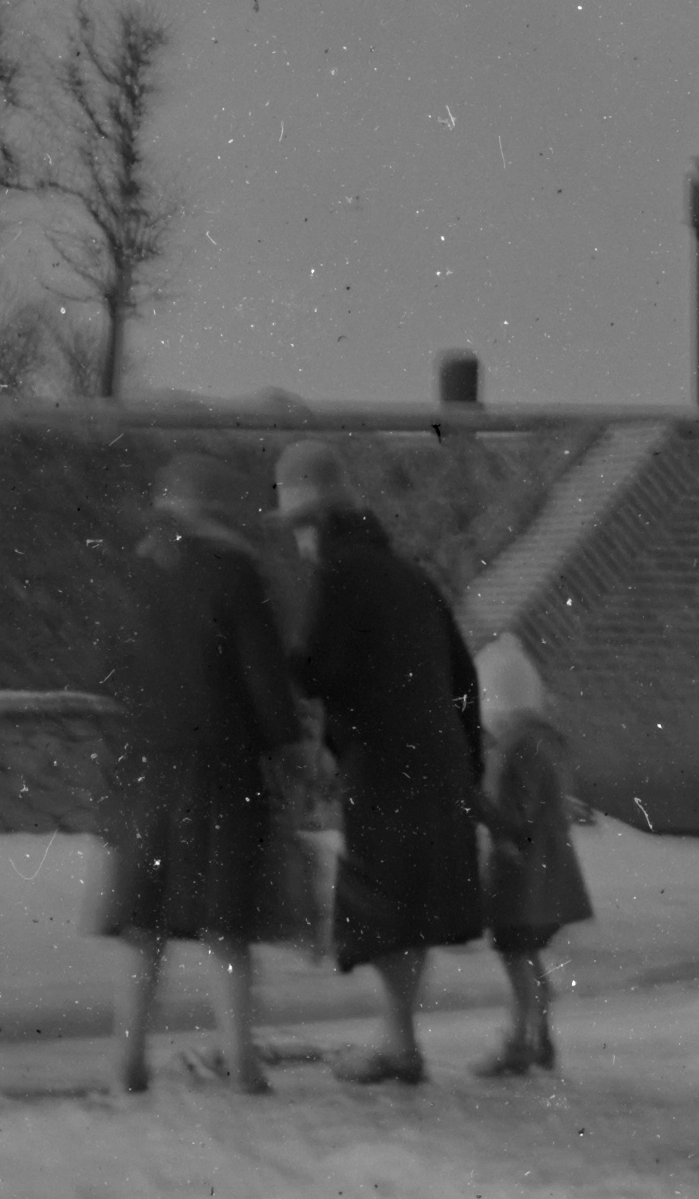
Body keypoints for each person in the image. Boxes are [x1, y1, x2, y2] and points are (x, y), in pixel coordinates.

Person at [278, 439, 488, 1087]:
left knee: (384, 903)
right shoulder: (409, 575)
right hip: (436, 757)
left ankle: (398, 1044)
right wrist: (468, 760)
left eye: (298, 528)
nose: (297, 544)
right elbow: (463, 675)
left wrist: (279, 658)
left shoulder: (339, 573)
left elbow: (320, 669)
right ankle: (400, 1038)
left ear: (317, 522)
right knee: (410, 904)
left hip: (387, 763)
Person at [100, 446, 310, 1094]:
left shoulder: (137, 571)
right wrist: (287, 744)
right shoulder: (235, 572)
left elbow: (111, 668)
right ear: (215, 508)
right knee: (227, 922)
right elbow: (264, 678)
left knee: (144, 923)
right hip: (223, 766)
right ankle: (241, 1060)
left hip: (147, 766)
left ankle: (128, 1059)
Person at [472, 633, 591, 1078]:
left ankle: (522, 1039)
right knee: (527, 956)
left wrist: (474, 803)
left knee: (515, 957)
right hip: (550, 876)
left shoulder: (513, 749)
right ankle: (539, 1036)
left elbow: (511, 816)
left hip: (521, 876)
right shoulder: (545, 744)